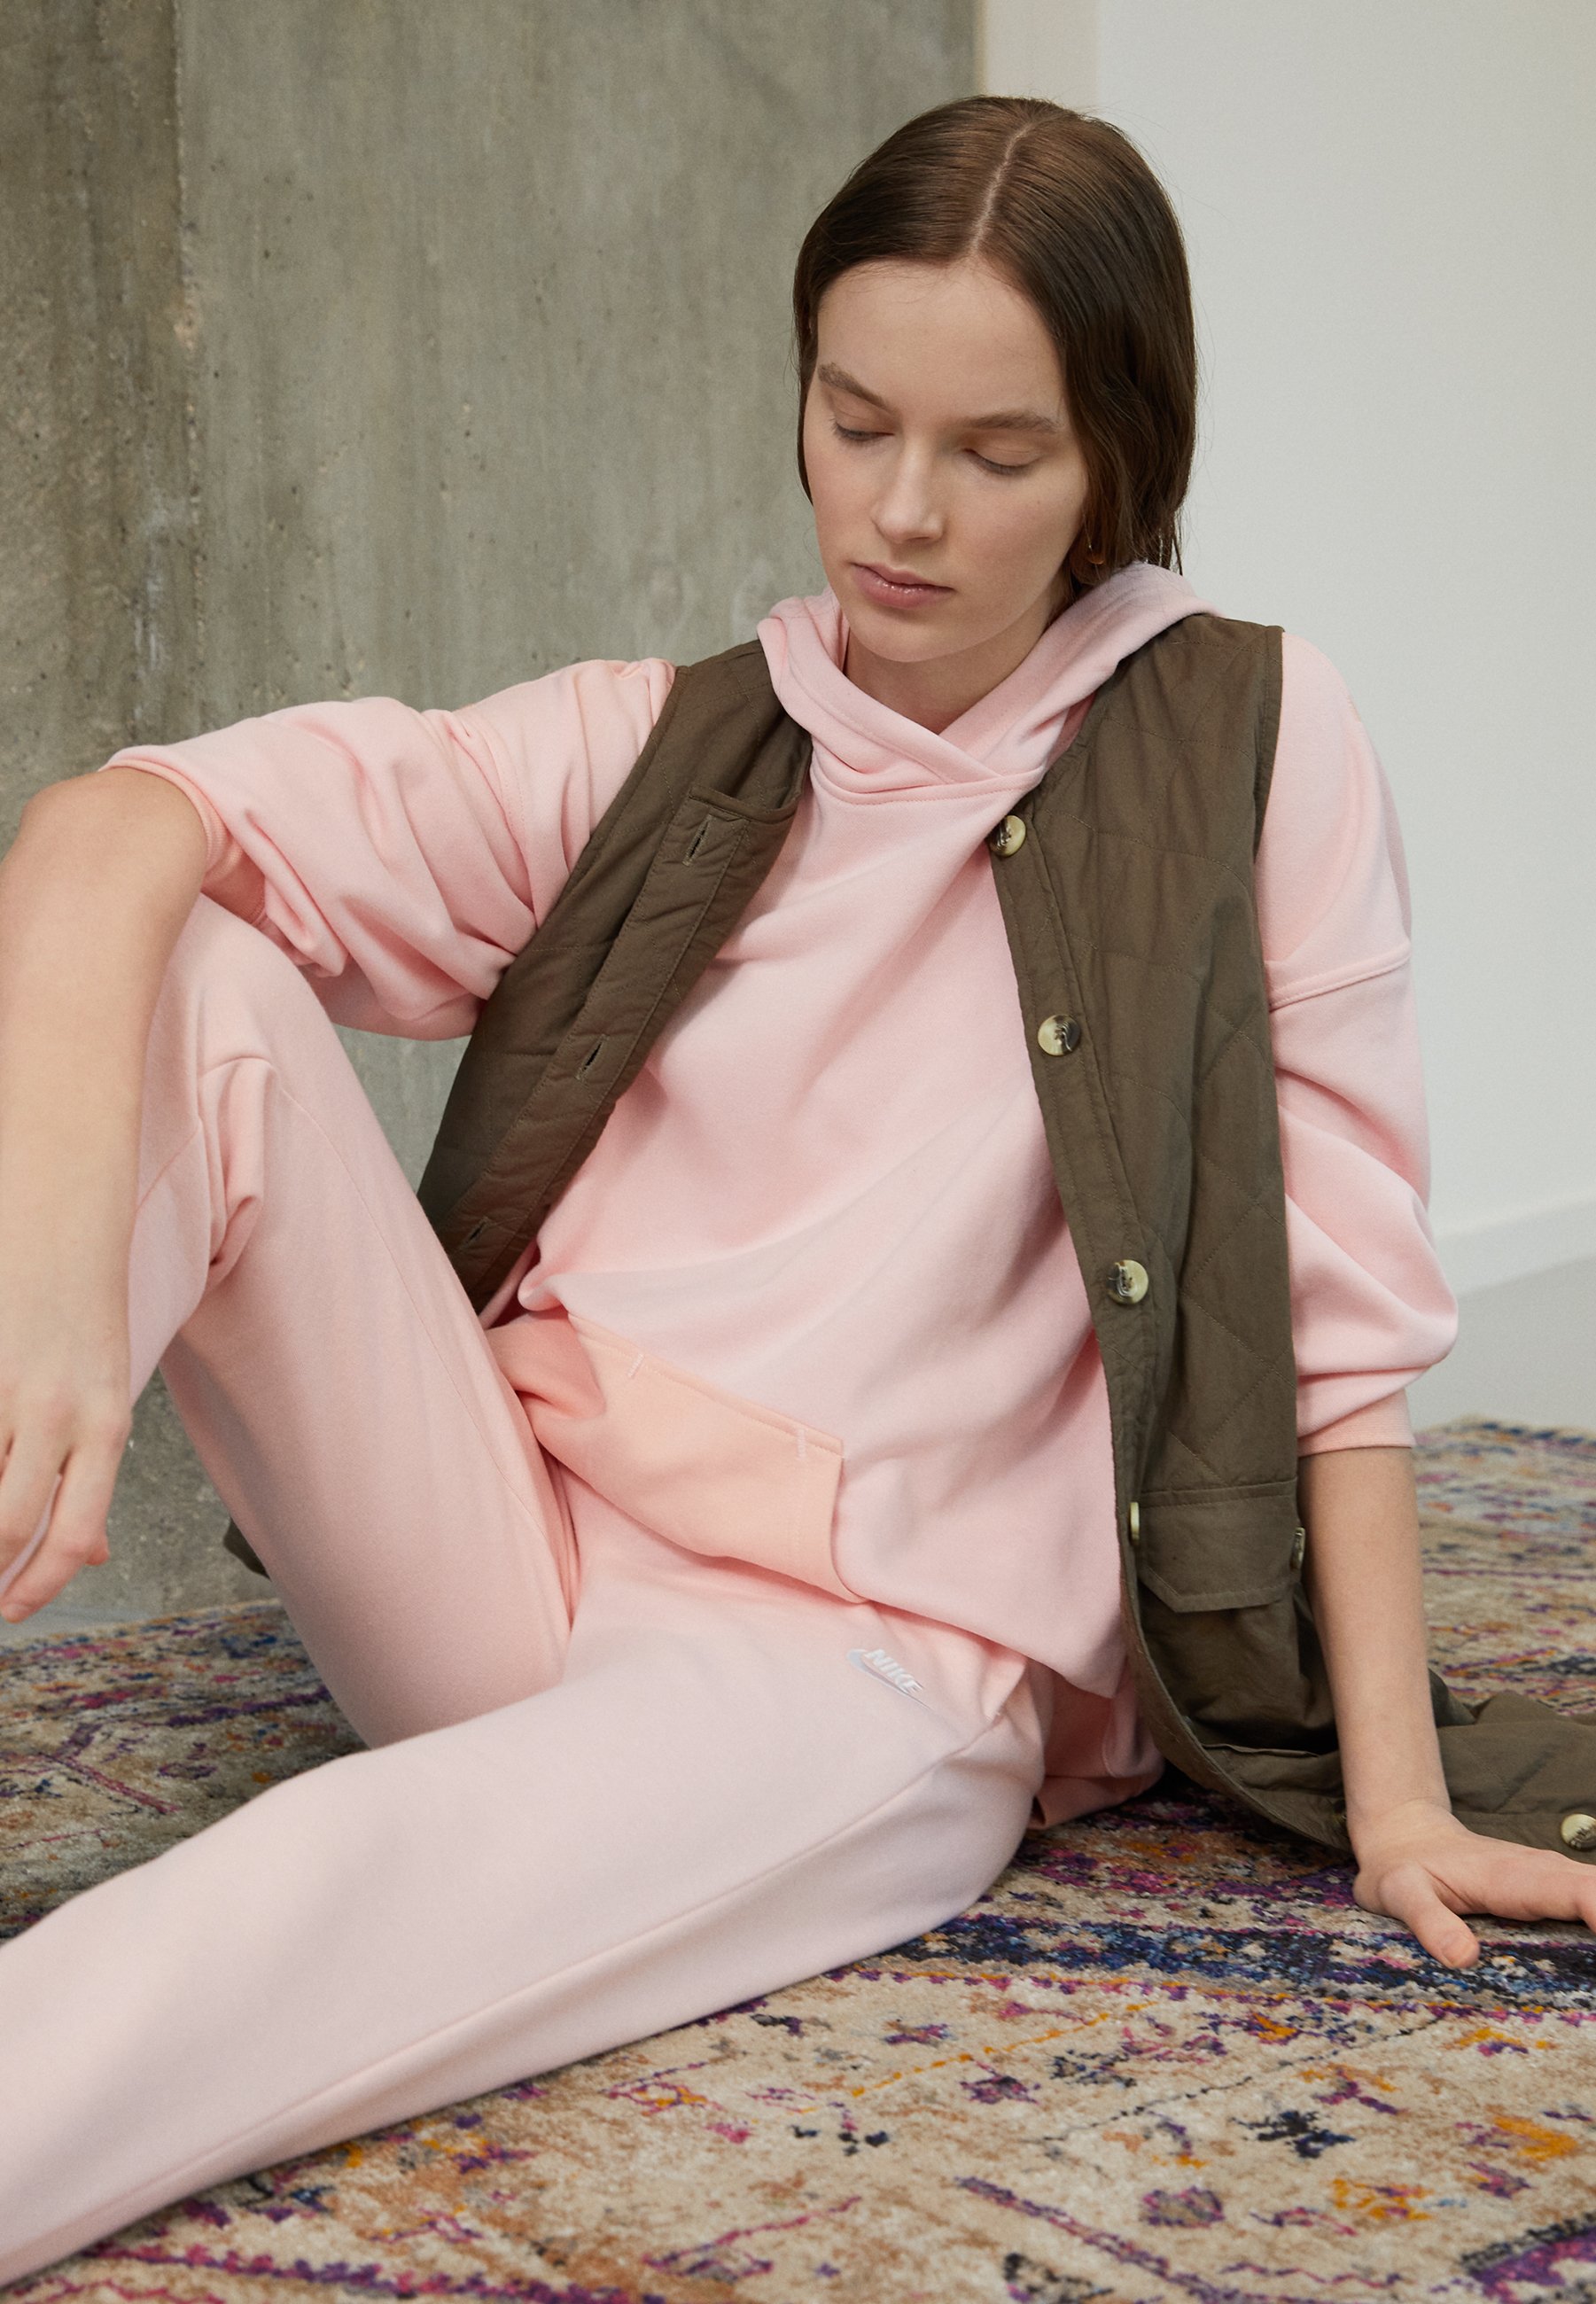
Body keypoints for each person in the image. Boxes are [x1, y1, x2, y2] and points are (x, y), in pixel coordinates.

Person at [0, 93, 1591, 2280]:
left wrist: (1395, 1796)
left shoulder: (1245, 735)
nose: (900, 511)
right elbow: (109, 830)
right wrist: (57, 1306)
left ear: (1116, 461)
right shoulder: (661, 747)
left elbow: (1342, 1312)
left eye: (995, 452)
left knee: (320, 1888)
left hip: (855, 1674)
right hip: (501, 1545)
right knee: (183, 963)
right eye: (855, 422)